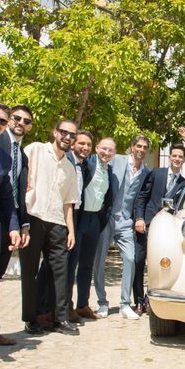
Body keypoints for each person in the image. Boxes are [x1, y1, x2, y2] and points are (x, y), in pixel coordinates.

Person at [20, 119, 79, 335]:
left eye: (71, 135)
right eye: (64, 132)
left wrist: (71, 230)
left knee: (60, 273)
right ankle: (31, 319)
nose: (67, 137)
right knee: (30, 272)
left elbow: (68, 203)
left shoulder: (70, 168)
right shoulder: (35, 150)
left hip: (58, 224)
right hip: (33, 217)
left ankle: (60, 319)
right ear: (55, 132)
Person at [0, 105, 32, 346]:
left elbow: (14, 193)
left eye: (27, 121)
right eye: (17, 118)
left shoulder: (20, 154)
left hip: (6, 219)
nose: (21, 123)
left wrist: (21, 223)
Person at [93, 135, 150, 320]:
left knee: (130, 258)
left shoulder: (145, 172)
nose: (141, 149)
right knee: (99, 261)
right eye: (138, 146)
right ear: (132, 147)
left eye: (145, 147)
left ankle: (125, 304)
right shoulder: (116, 160)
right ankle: (102, 302)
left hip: (125, 221)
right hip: (107, 218)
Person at [134, 144, 185, 314]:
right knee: (138, 261)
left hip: (166, 230)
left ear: (184, 160)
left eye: (180, 157)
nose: (177, 159)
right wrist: (140, 218)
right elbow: (142, 196)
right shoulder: (157, 173)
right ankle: (139, 300)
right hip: (147, 225)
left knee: (158, 265)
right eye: (174, 156)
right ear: (169, 157)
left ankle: (151, 300)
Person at [73, 137, 115, 320]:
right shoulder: (87, 164)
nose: (106, 153)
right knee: (70, 263)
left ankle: (82, 304)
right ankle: (65, 307)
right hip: (80, 217)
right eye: (103, 149)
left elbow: (107, 198)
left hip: (95, 220)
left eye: (110, 150)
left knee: (87, 265)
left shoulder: (109, 170)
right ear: (97, 148)